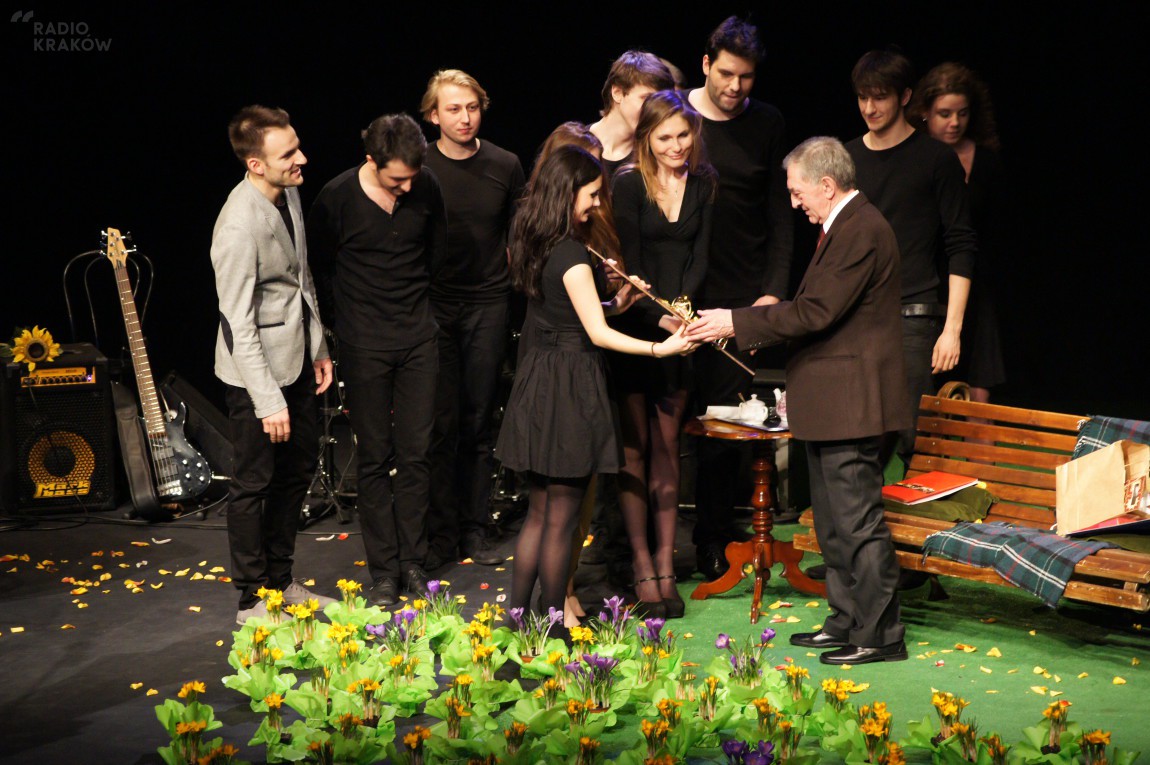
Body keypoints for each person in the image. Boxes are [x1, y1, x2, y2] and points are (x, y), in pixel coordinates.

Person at [686, 136, 910, 665]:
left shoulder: (862, 230)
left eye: (797, 191)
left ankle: (880, 634)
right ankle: (846, 619)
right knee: (832, 522)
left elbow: (816, 312)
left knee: (856, 521)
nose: (794, 202)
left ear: (826, 186)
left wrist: (736, 322)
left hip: (853, 403)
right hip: (833, 402)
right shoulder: (844, 227)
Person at [495, 145, 694, 619]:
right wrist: (659, 348)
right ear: (567, 194)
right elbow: (597, 334)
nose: (597, 205)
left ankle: (520, 620)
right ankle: (550, 624)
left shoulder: (534, 239)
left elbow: (572, 313)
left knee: (540, 514)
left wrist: (619, 304)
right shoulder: (572, 254)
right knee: (561, 521)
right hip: (569, 390)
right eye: (591, 195)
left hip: (540, 382)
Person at [307, 114, 447, 608]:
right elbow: (319, 269)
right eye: (397, 179)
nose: (407, 185)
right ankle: (383, 571)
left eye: (412, 175)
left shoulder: (424, 185)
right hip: (364, 342)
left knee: (415, 453)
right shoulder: (338, 197)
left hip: (417, 339)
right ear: (371, 161)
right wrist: (344, 325)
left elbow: (435, 254)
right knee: (375, 457)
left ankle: (413, 562)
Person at [210, 105, 335, 625]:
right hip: (254, 375)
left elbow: (301, 279)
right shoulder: (238, 225)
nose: (302, 158)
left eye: (297, 146)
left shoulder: (290, 193)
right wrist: (267, 402)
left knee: (298, 470)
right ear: (256, 164)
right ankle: (250, 600)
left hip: (297, 359)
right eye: (288, 154)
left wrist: (320, 345)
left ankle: (281, 581)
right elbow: (237, 320)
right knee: (254, 484)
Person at [686, 16, 793, 581]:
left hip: (742, 295)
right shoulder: (677, 117)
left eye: (746, 77)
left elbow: (780, 215)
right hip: (682, 292)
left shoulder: (767, 122)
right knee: (675, 420)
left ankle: (715, 539)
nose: (735, 87)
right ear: (706, 64)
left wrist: (770, 297)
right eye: (726, 74)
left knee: (728, 426)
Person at [610, 90, 716, 618]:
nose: (677, 146)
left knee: (669, 453)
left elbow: (699, 258)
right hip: (637, 330)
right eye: (665, 137)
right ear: (646, 139)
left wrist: (686, 313)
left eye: (684, 135)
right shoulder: (627, 186)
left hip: (683, 329)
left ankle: (667, 565)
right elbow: (629, 265)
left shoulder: (703, 184)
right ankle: (641, 565)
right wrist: (660, 319)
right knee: (634, 453)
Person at [846, 50, 977, 463]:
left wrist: (951, 328)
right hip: (857, 316)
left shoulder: (935, 159)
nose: (869, 108)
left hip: (913, 317)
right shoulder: (846, 158)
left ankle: (926, 527)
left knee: (915, 438)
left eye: (879, 97)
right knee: (859, 437)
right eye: (862, 97)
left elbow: (961, 243)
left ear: (904, 97)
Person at [421, 69, 526, 569]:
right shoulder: (418, 165)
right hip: (435, 306)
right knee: (440, 424)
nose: (464, 117)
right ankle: (441, 532)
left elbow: (520, 233)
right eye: (453, 109)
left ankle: (475, 528)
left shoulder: (504, 164)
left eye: (472, 107)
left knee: (479, 421)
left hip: (488, 303)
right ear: (433, 115)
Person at [907, 62, 1006, 402]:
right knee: (928, 378)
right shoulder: (916, 160)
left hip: (975, 281)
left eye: (961, 113)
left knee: (980, 378)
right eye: (944, 114)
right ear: (924, 114)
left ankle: (981, 455)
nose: (954, 123)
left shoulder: (987, 162)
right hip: (929, 284)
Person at [589, 50, 676, 177]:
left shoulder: (653, 156)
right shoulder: (576, 146)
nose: (654, 110)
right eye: (646, 98)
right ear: (617, 93)